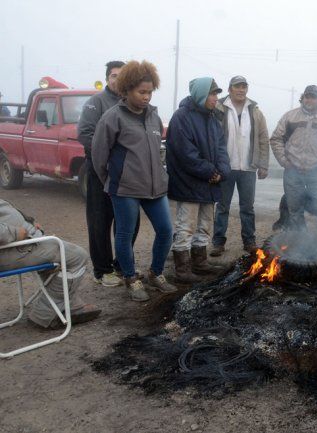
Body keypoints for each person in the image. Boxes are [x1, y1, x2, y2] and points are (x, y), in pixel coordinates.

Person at [92, 60, 177, 301]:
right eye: (141, 92)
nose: (146, 97)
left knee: (165, 231)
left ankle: (156, 273)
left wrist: (161, 177)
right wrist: (111, 181)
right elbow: (99, 154)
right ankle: (130, 278)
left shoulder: (154, 117)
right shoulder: (112, 118)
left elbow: (157, 149)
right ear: (127, 90)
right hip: (126, 188)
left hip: (155, 188)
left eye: (149, 92)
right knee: (125, 234)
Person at [78, 60, 142, 288]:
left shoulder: (131, 103)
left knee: (129, 222)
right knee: (99, 221)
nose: (117, 79)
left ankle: (121, 264)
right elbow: (85, 134)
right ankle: (102, 270)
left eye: (121, 75)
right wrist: (107, 158)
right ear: (107, 78)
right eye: (113, 75)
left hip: (128, 175)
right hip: (100, 172)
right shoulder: (96, 103)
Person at [166, 77, 230, 282]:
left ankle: (200, 262)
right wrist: (211, 172)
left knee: (204, 224)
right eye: (213, 94)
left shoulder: (213, 118)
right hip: (189, 182)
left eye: (217, 94)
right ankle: (182, 269)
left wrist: (222, 171)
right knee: (186, 225)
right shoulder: (181, 117)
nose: (216, 98)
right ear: (201, 94)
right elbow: (186, 153)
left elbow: (221, 148)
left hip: (209, 182)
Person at [0, 200, 101, 328]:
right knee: (77, 256)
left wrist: (29, 222)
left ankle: (70, 304)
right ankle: (44, 314)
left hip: (17, 245)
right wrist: (17, 233)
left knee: (59, 256)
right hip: (11, 249)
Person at [270, 85, 317, 239]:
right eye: (307, 96)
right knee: (294, 208)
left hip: (316, 173)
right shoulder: (290, 116)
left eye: (313, 97)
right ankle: (300, 242)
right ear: (302, 98)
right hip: (292, 171)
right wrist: (284, 161)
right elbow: (276, 139)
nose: (309, 99)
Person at [211, 76, 269, 256]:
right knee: (222, 206)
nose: (241, 90)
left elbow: (263, 138)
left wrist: (263, 164)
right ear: (229, 89)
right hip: (225, 167)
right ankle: (218, 242)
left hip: (248, 167)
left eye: (244, 86)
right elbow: (212, 137)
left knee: (247, 207)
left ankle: (249, 241)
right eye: (237, 86)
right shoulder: (219, 109)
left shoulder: (256, 112)